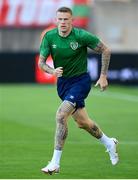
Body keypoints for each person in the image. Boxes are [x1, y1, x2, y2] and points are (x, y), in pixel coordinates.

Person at [38, 7, 119, 175]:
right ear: (56, 20)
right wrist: (52, 71)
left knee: (61, 115)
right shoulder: (49, 37)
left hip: (80, 81)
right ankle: (109, 143)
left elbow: (105, 49)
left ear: (71, 21)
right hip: (63, 84)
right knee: (83, 123)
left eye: (66, 19)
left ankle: (55, 163)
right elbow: (42, 63)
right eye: (60, 19)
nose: (63, 23)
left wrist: (103, 76)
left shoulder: (81, 36)